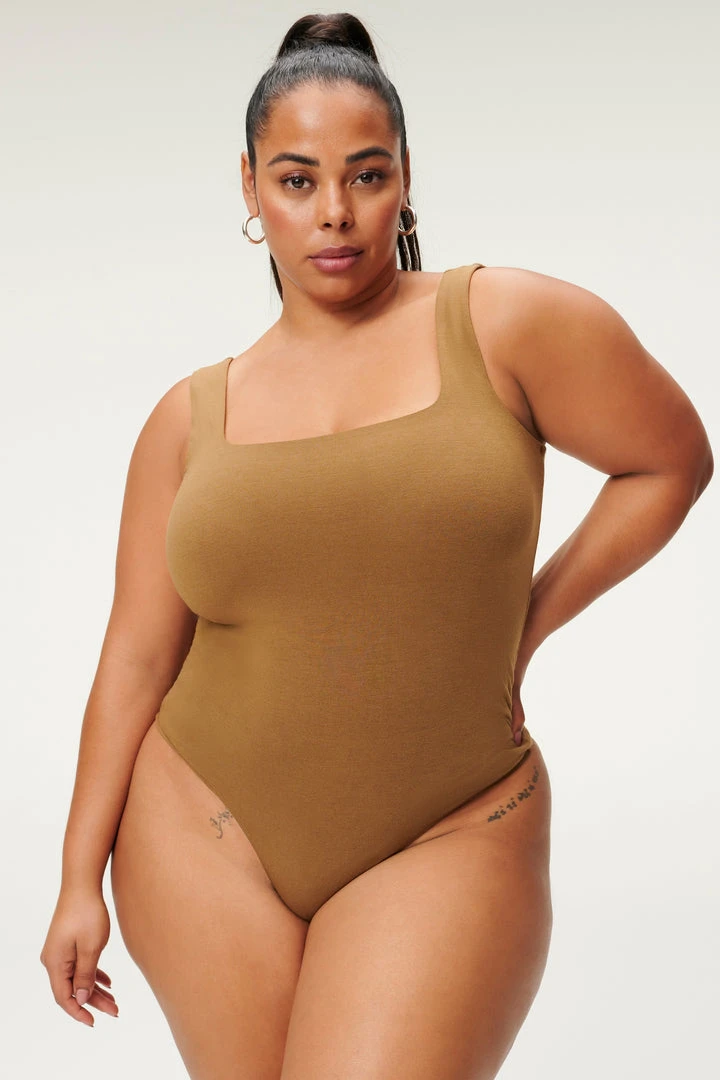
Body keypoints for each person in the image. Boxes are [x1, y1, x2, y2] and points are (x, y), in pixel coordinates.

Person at [39, 11, 713, 1079]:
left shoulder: (504, 323)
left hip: (451, 822)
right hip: (201, 827)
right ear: (250, 188)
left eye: (366, 174)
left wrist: (525, 628)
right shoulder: (188, 418)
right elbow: (133, 658)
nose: (335, 213)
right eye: (296, 180)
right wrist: (77, 879)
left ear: (405, 178)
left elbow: (671, 461)